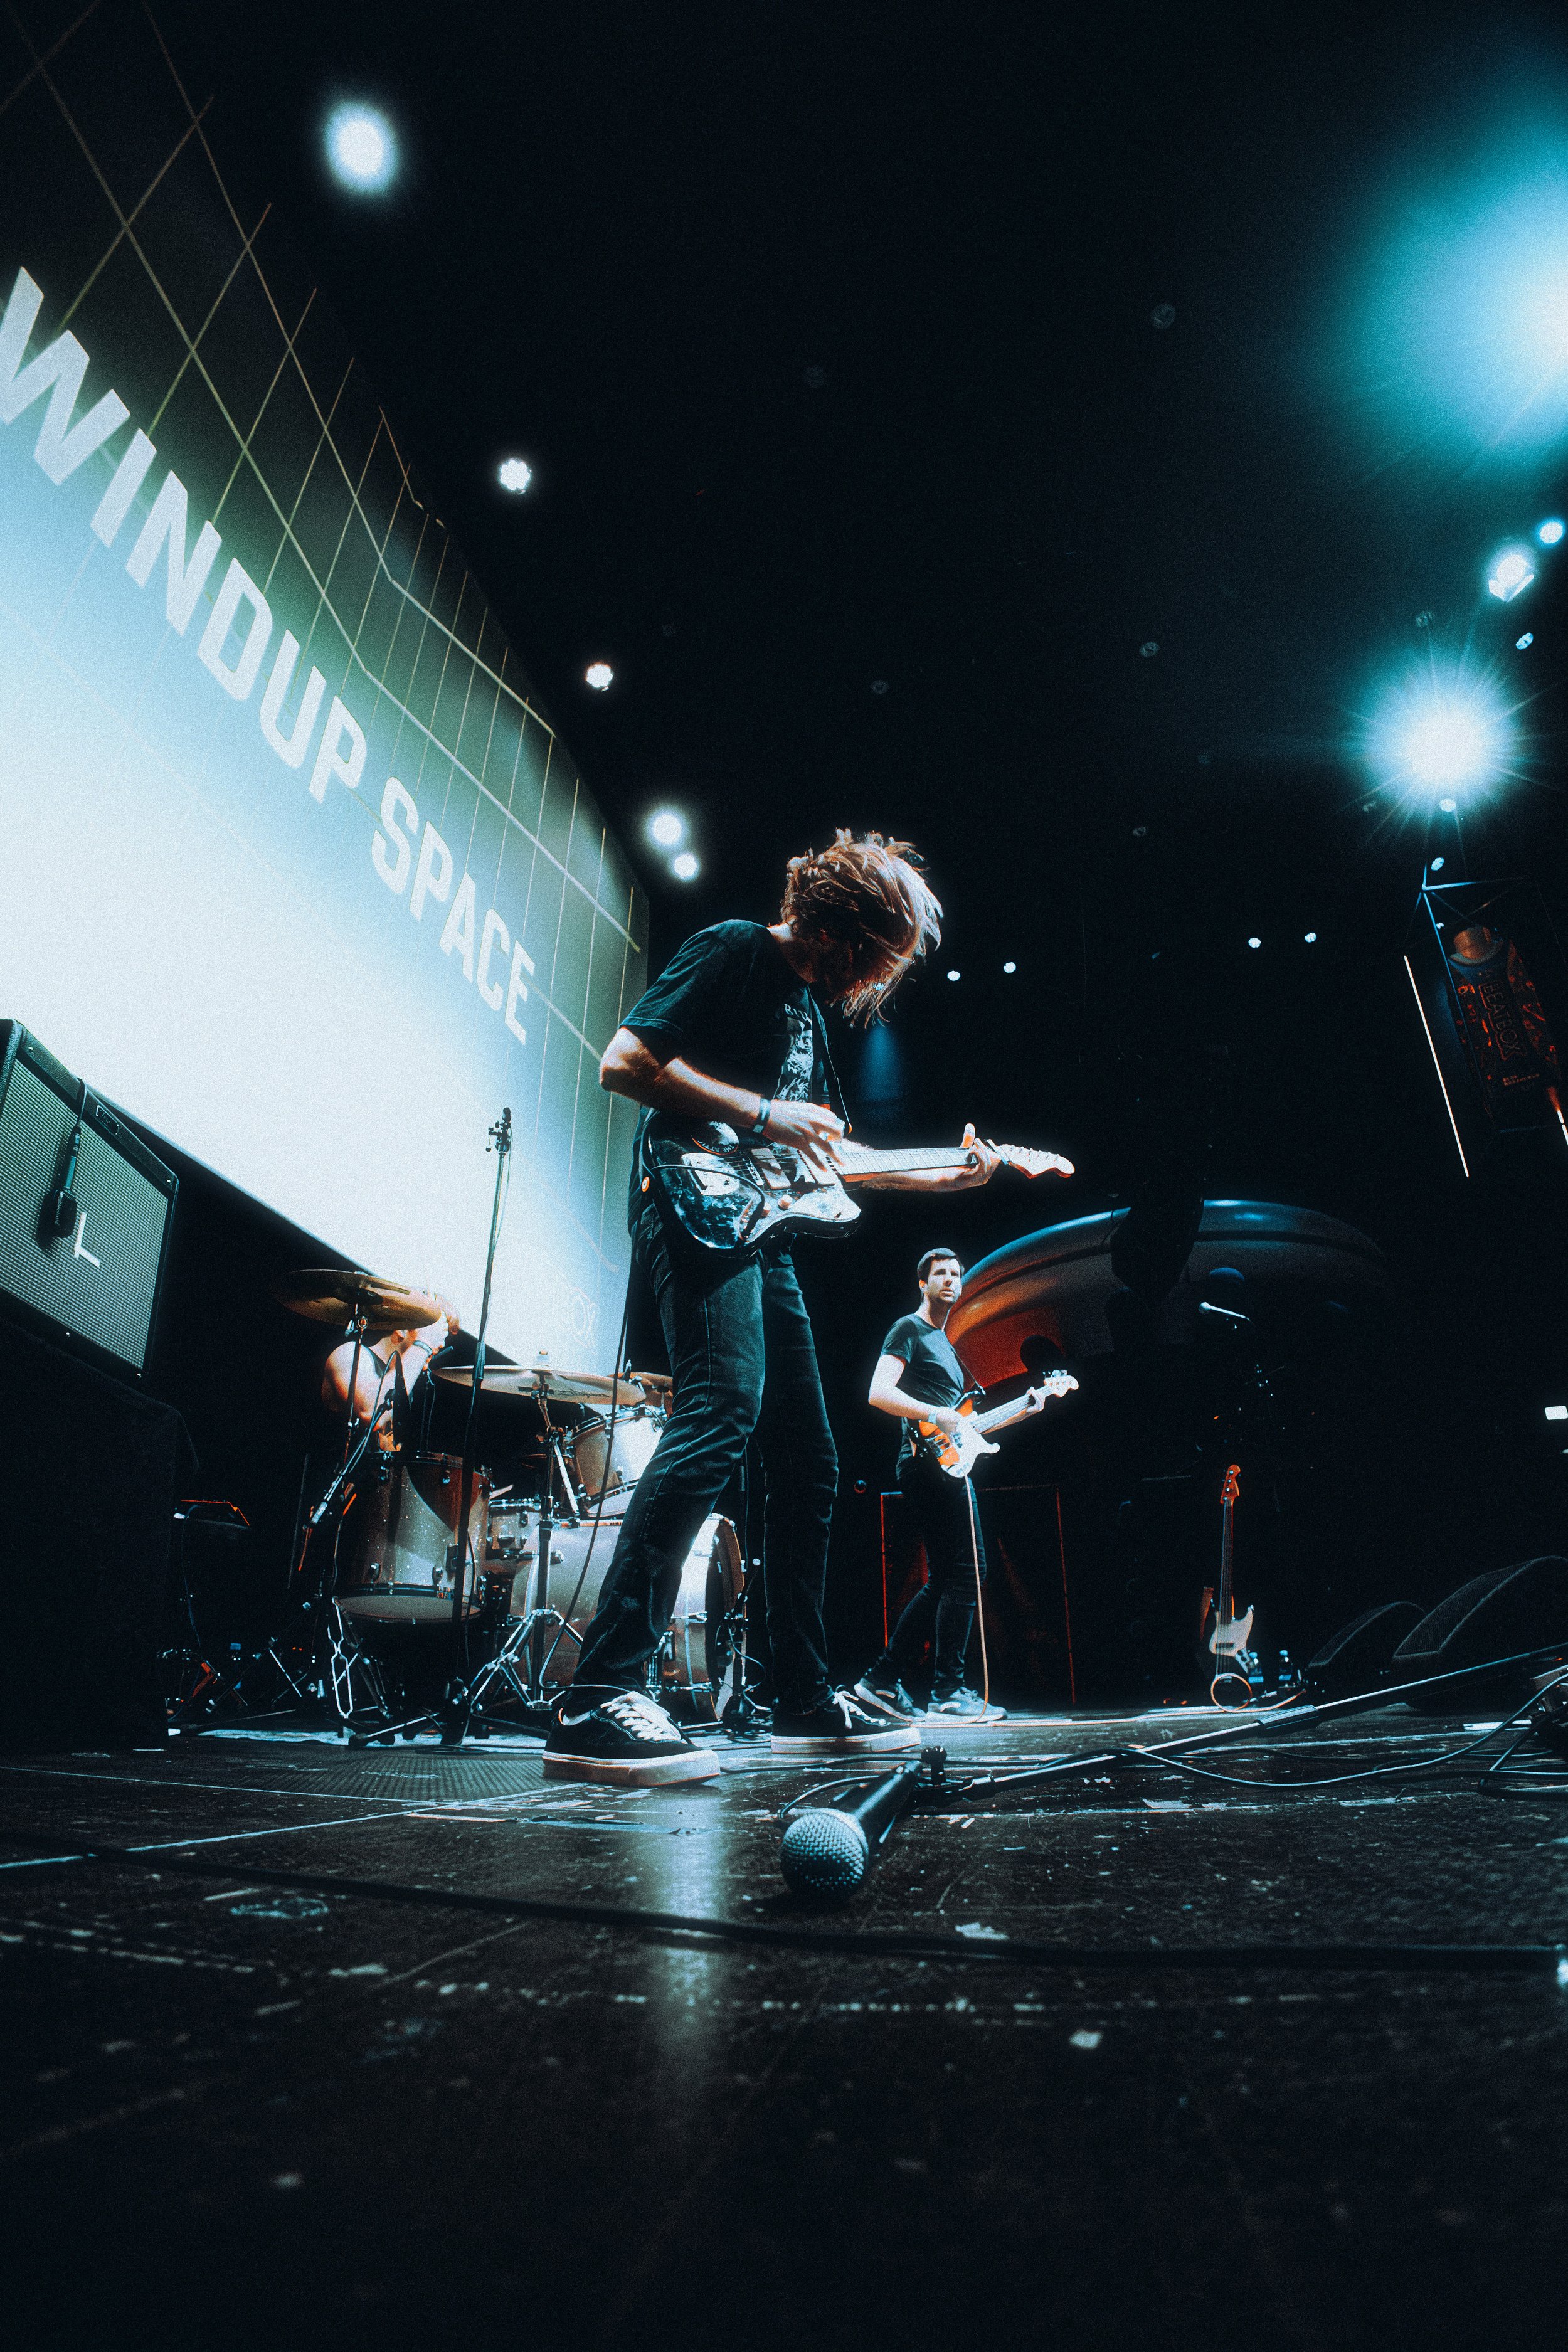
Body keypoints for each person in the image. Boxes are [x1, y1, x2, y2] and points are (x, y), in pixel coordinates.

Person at [544, 830, 1036, 1787]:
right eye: (887, 953)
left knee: (810, 1458)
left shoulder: (808, 1013)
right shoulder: (735, 949)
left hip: (761, 1232)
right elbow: (625, 1060)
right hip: (688, 1199)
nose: (883, 978)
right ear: (852, 926)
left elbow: (833, 1163)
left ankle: (804, 1698)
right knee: (718, 1412)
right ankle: (598, 1692)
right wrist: (763, 1113)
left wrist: (959, 1174)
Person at [854, 1248, 1041, 1722]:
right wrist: (933, 1412)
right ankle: (948, 1691)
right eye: (941, 1274)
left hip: (945, 1464)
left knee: (950, 1577)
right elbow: (879, 1393)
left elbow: (963, 1430)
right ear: (923, 1283)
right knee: (967, 1573)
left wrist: (1026, 1407)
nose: (951, 1281)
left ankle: (881, 1679)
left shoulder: (947, 1346)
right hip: (925, 1466)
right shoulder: (909, 1330)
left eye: (957, 1273)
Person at [321, 1296, 460, 1445]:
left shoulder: (403, 1382)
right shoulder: (348, 1354)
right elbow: (370, 1412)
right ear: (402, 1330)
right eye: (432, 1332)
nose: (440, 1343)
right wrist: (423, 1344)